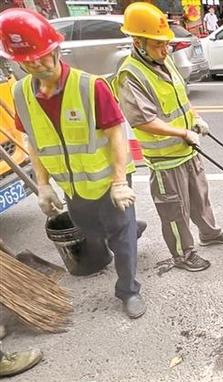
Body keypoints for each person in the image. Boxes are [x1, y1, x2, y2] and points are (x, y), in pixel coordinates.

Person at [0, 8, 146, 318]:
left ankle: (128, 290)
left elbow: (116, 135)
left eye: (40, 56)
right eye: (26, 60)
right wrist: (42, 186)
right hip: (73, 184)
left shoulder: (90, 86)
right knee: (87, 227)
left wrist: (120, 182)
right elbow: (34, 143)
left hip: (109, 180)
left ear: (55, 49)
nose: (35, 64)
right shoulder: (21, 92)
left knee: (119, 238)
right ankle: (130, 227)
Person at [114, 2, 223, 273]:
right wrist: (182, 132)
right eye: (158, 44)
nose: (165, 49)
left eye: (166, 43)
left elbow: (181, 99)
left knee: (200, 198)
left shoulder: (163, 59)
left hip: (187, 149)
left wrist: (196, 119)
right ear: (138, 42)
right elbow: (144, 120)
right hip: (165, 159)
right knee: (174, 210)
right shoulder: (130, 75)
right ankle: (183, 254)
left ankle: (209, 233)